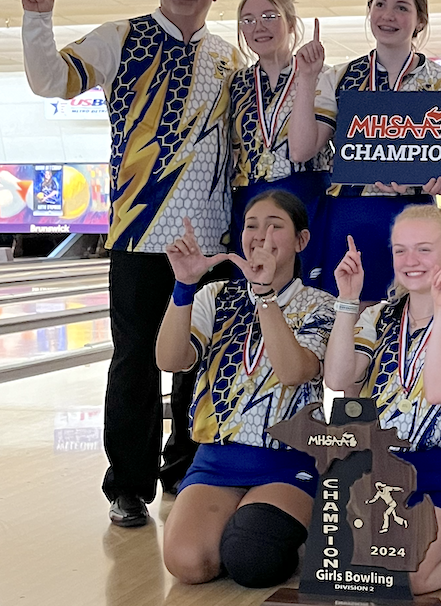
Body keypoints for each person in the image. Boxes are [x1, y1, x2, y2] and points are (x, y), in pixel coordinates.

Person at [20, 0, 241, 526]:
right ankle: (128, 485)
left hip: (210, 241)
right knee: (135, 363)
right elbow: (50, 81)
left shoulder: (228, 59)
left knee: (202, 363)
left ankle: (188, 469)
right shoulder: (121, 36)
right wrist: (37, 18)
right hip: (141, 235)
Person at [157, 189, 334, 588]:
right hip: (217, 462)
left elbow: (293, 371)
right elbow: (169, 360)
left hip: (288, 462)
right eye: (252, 226)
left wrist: (266, 295)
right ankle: (241, 526)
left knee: (252, 558)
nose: (261, 235)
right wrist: (184, 285)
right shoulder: (216, 296)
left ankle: (295, 531)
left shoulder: (321, 305)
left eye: (276, 226)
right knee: (187, 564)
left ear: (301, 241)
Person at [324, 205, 441, 594]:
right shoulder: (379, 316)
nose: (410, 261)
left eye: (424, 250)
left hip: (439, 476)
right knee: (351, 571)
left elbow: (436, 391)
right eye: (401, 250)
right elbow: (337, 377)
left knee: (409, 577)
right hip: (373, 473)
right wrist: (348, 300)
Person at [289, 0, 441, 303]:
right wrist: (307, 79)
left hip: (414, 218)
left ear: (420, 19)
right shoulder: (340, 76)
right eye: (379, 5)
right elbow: (301, 149)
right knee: (346, 323)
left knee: (410, 320)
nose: (388, 16)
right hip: (350, 217)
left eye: (401, 7)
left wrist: (438, 181)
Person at [229, 0, 332, 279]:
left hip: (306, 198)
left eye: (269, 16)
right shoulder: (236, 84)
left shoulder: (323, 77)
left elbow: (310, 149)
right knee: (254, 293)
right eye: (247, 20)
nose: (258, 27)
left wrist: (306, 78)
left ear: (290, 22)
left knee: (307, 291)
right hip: (250, 203)